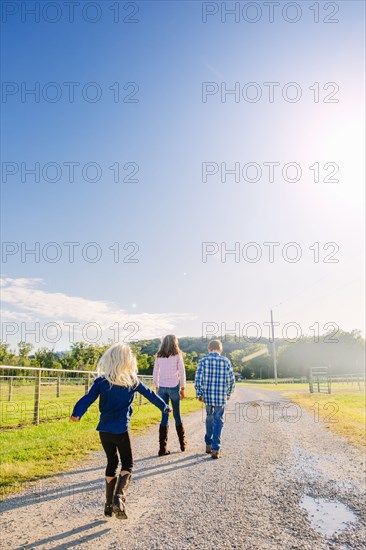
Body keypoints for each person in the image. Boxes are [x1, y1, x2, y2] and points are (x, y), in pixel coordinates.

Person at [70, 343, 171, 519]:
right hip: (122, 430)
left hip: (104, 431)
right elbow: (150, 394)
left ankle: (108, 506)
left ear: (110, 359)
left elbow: (88, 398)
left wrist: (77, 413)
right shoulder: (132, 381)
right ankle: (119, 498)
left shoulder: (101, 381)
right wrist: (164, 407)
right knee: (127, 464)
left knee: (111, 463)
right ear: (128, 361)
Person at [194, 339, 235, 459]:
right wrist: (228, 393)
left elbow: (198, 378)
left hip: (207, 396)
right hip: (220, 396)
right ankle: (215, 449)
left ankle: (208, 443)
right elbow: (231, 379)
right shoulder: (226, 361)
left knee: (209, 418)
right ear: (220, 349)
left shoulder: (203, 360)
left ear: (209, 348)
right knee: (218, 421)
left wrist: (199, 393)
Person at [153, 334, 187, 456]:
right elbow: (182, 372)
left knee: (164, 416)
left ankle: (162, 448)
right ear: (175, 342)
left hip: (162, 387)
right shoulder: (177, 355)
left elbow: (155, 371)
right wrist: (183, 388)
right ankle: (182, 445)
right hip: (174, 387)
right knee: (177, 415)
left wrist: (156, 386)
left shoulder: (159, 355)